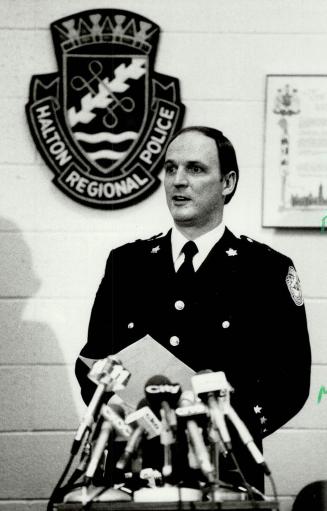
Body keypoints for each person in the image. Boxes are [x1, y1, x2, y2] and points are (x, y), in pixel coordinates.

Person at [75, 126, 311, 491]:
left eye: (195, 169)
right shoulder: (127, 264)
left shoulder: (265, 270)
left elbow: (290, 383)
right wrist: (121, 417)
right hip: (133, 469)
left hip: (226, 469)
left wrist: (226, 427)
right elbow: (93, 361)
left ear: (227, 183)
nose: (178, 181)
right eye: (170, 169)